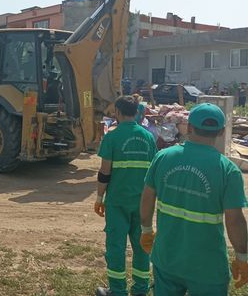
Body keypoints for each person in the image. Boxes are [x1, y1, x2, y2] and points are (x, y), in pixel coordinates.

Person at [140, 103, 248, 295]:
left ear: (189, 127)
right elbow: (235, 220)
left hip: (167, 259)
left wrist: (146, 230)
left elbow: (147, 197)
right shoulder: (228, 170)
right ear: (222, 131)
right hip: (207, 267)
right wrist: (242, 256)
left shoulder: (163, 157)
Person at [94, 96, 157, 296]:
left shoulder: (112, 137)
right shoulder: (148, 137)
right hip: (143, 204)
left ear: (118, 113)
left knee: (116, 247)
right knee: (142, 247)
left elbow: (105, 172)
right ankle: (140, 289)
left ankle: (118, 290)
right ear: (137, 112)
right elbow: (153, 172)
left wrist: (98, 198)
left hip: (117, 202)